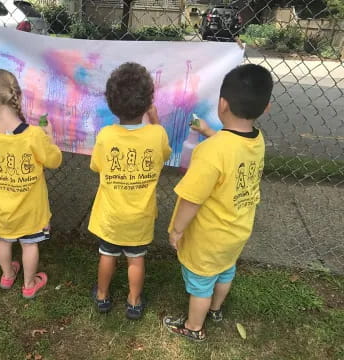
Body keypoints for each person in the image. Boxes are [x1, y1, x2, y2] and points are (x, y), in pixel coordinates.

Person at [163, 64, 273, 341]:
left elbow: (192, 199)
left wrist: (177, 229)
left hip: (208, 237)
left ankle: (194, 327)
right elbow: (231, 151)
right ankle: (216, 309)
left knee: (201, 282)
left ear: (222, 103)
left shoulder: (209, 153)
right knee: (225, 271)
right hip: (237, 230)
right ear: (266, 108)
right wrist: (211, 131)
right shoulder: (257, 141)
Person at [89, 62, 172, 320]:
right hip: (140, 218)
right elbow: (165, 155)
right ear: (149, 102)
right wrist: (155, 119)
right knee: (136, 259)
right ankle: (134, 301)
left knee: (107, 255)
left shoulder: (105, 135)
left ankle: (102, 295)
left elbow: (96, 166)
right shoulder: (156, 135)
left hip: (111, 218)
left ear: (111, 104)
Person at [0, 69, 62, 298]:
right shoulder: (34, 134)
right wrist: (50, 138)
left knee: (3, 242)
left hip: (0, 210)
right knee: (29, 245)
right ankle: (29, 284)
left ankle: (7, 275)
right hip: (30, 211)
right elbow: (54, 160)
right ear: (18, 96)